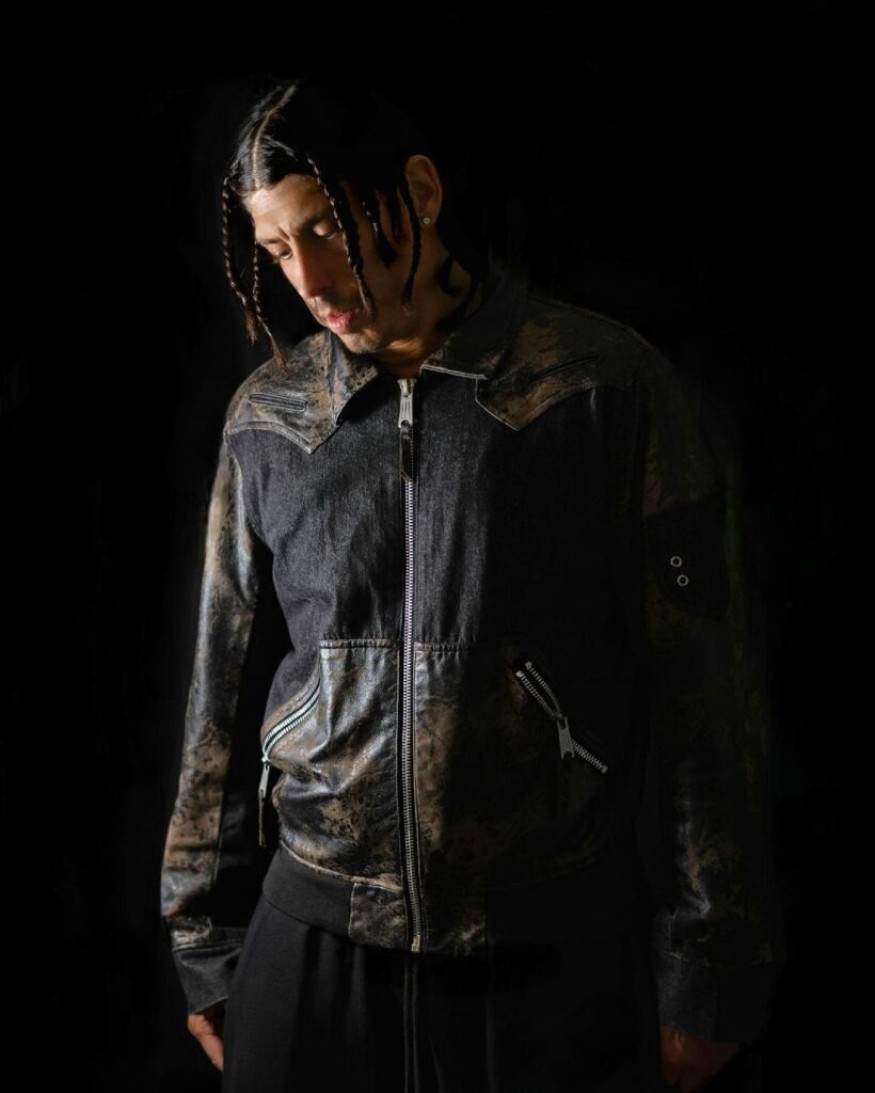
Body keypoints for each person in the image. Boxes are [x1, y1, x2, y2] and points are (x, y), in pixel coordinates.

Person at [160, 71, 778, 1092]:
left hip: (548, 956)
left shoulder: (600, 389)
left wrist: (712, 967)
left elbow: (704, 696)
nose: (308, 277)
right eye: (276, 248)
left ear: (419, 191)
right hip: (308, 942)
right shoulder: (270, 416)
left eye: (327, 229)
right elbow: (219, 695)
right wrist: (203, 937)